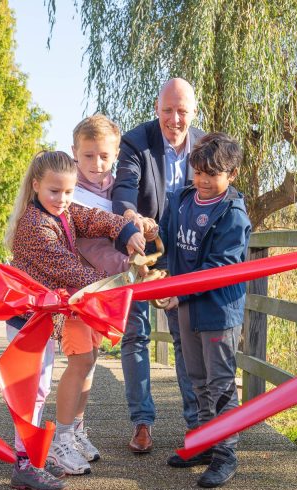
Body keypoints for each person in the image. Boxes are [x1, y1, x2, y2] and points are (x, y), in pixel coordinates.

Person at [4, 150, 146, 490]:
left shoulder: (62, 213)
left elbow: (94, 218)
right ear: (36, 185)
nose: (63, 199)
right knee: (32, 391)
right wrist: (125, 276)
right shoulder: (34, 226)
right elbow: (72, 271)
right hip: (25, 318)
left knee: (38, 387)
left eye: (68, 192)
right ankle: (25, 464)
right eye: (54, 191)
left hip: (40, 318)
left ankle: (32, 457)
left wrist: (127, 231)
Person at [112, 78, 204, 453]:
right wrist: (133, 218)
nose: (175, 119)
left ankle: (196, 424)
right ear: (156, 108)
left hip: (184, 254)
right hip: (140, 249)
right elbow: (123, 192)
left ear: (193, 113)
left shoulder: (206, 146)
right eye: (168, 110)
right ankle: (142, 423)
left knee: (185, 337)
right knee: (136, 335)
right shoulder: (136, 141)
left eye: (182, 111)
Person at [158, 132, 251, 488]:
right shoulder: (181, 199)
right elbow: (166, 242)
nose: (203, 181)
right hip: (186, 308)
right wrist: (160, 271)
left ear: (232, 174)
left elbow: (220, 268)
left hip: (217, 311)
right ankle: (201, 442)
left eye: (212, 174)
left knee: (221, 384)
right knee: (195, 379)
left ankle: (226, 455)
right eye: (198, 172)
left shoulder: (234, 215)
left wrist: (179, 292)